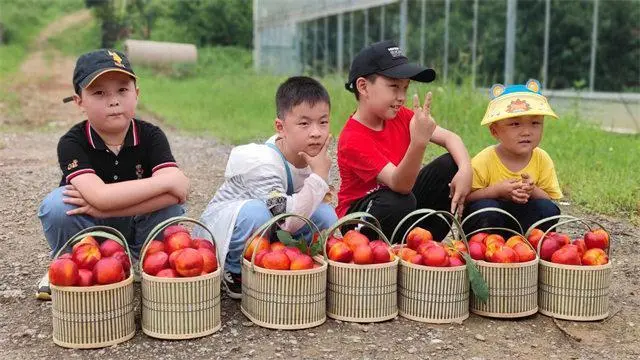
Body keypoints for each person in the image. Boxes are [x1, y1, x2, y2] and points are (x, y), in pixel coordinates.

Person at [36, 49, 189, 300]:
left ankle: (144, 263)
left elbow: (178, 195)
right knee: (57, 205)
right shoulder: (72, 142)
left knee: (170, 210)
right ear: (79, 101)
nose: (114, 101)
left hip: (138, 229)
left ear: (136, 94)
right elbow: (101, 197)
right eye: (99, 93)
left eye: (122, 90)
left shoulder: (151, 135)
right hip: (91, 232)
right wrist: (164, 182)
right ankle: (68, 265)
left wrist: (104, 206)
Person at [193, 76, 337, 299]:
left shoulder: (314, 157)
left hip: (271, 232)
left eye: (323, 122)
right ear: (281, 127)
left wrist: (318, 177)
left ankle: (298, 261)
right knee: (257, 214)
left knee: (326, 215)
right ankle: (234, 270)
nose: (316, 132)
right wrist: (318, 177)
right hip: (228, 228)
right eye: (304, 123)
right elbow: (284, 220)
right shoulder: (262, 161)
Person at [337, 40, 472, 241]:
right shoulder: (352, 138)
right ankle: (382, 248)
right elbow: (400, 184)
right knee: (399, 200)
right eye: (393, 87)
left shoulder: (401, 116)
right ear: (363, 87)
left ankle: (423, 244)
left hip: (399, 203)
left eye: (405, 88)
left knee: (449, 164)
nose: (401, 97)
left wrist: (465, 170)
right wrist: (419, 142)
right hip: (363, 220)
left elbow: (451, 138)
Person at [462, 79, 562, 236]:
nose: (526, 132)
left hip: (524, 224)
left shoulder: (542, 159)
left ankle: (532, 244)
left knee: (548, 209)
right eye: (515, 124)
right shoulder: (485, 159)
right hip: (490, 227)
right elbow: (467, 198)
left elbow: (548, 199)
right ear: (494, 131)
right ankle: (484, 247)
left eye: (535, 123)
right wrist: (496, 191)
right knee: (485, 208)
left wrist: (532, 190)